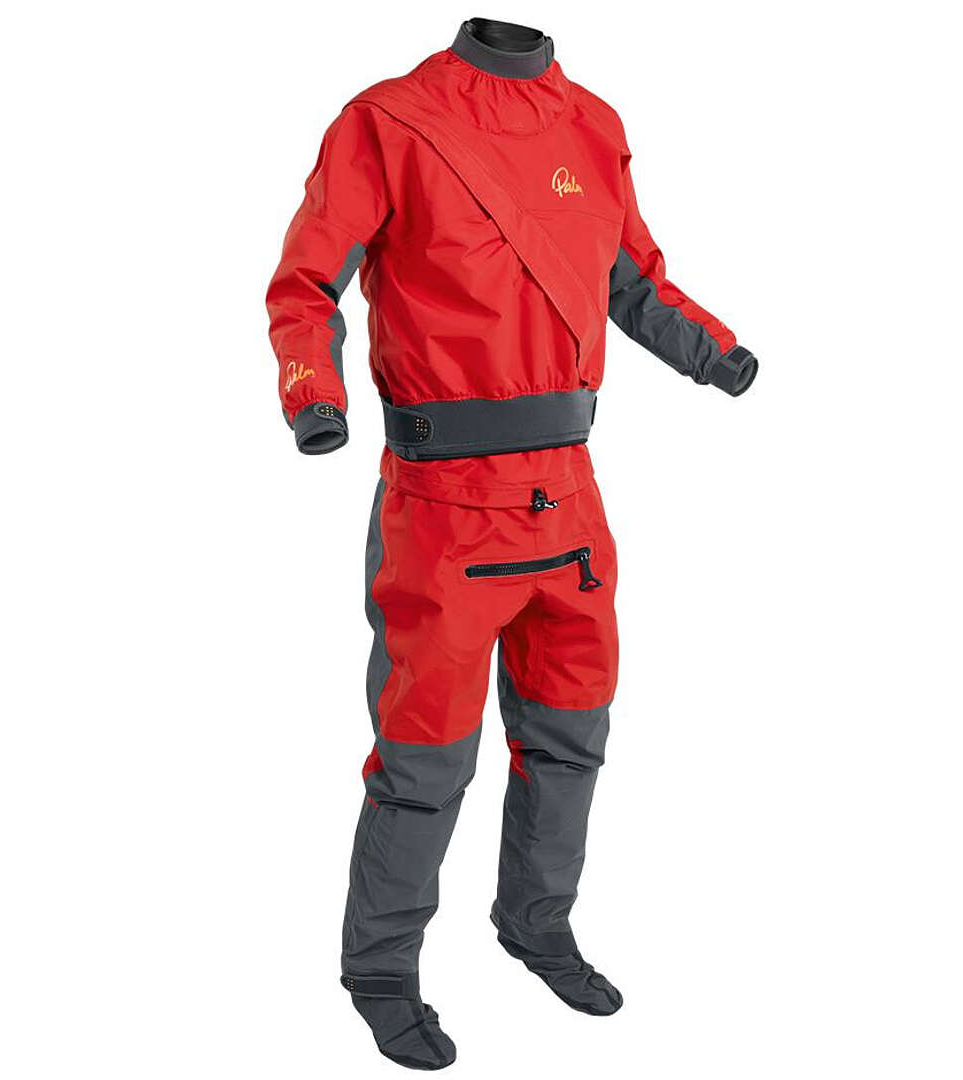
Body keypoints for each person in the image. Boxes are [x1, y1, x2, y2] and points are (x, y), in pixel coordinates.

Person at [266, 18, 758, 1070]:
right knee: (425, 761)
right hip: (445, 508)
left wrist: (715, 352)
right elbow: (305, 283)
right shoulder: (387, 121)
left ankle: (536, 923)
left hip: (570, 499)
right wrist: (315, 397)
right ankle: (380, 972)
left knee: (572, 737)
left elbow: (632, 282)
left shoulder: (592, 124)